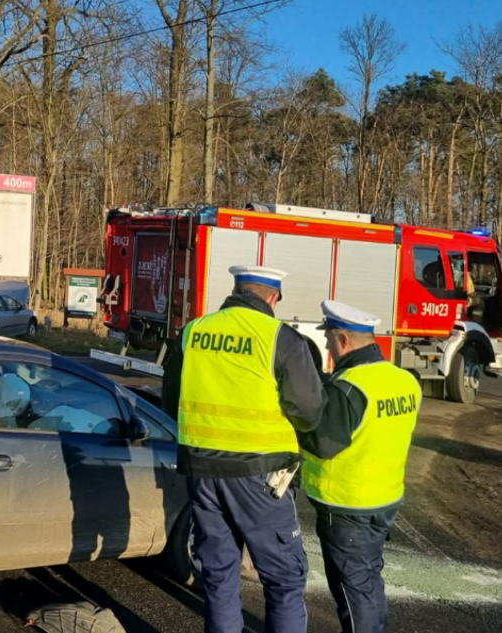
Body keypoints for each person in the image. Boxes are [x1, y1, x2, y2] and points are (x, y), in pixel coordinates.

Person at [163, 265, 325, 633]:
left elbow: (171, 397)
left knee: (219, 577)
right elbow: (309, 411)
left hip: (201, 469)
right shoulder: (279, 338)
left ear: (236, 289)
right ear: (273, 297)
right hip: (260, 475)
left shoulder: (194, 331)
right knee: (283, 580)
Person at [298, 301, 421, 633]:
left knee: (353, 592)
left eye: (329, 339)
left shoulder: (349, 387)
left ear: (343, 341)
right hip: (385, 499)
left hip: (347, 506)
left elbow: (323, 444)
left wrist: (297, 424)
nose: (326, 346)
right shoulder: (404, 380)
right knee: (368, 581)